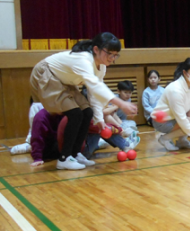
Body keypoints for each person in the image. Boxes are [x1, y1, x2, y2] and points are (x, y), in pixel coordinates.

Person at [29, 32, 137, 170]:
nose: (112, 58)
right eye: (109, 53)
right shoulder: (84, 59)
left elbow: (94, 94)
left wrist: (99, 119)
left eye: (116, 55)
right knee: (75, 114)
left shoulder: (101, 67)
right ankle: (64, 159)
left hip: (64, 81)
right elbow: (96, 86)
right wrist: (121, 103)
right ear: (96, 49)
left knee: (87, 112)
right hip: (46, 73)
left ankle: (75, 154)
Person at [151, 57, 190, 151]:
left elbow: (187, 104)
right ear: (185, 73)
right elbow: (181, 119)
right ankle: (165, 138)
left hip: (174, 116)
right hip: (162, 121)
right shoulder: (176, 90)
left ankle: (182, 140)